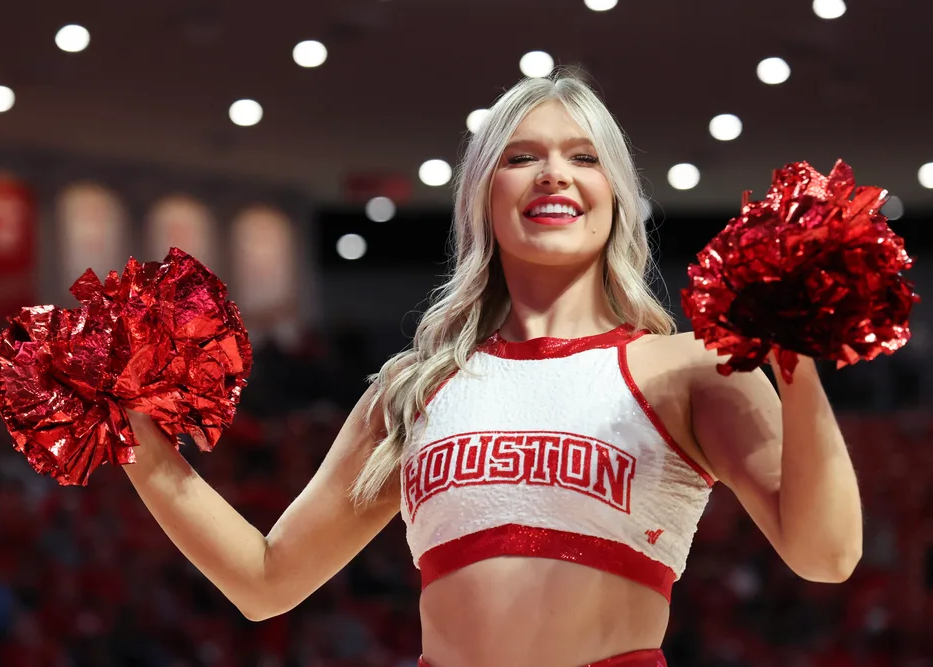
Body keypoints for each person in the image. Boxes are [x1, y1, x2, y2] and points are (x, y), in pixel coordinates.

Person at [122, 72, 863, 667]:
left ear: (618, 197)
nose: (553, 176)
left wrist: (795, 360)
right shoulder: (412, 388)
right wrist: (131, 433)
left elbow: (826, 554)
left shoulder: (693, 367)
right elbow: (264, 580)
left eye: (584, 156)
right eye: (520, 156)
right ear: (483, 193)